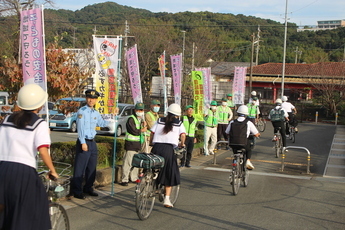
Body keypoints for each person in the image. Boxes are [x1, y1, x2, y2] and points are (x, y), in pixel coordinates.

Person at [0, 84, 58, 230]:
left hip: (2, 170)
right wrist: (52, 170)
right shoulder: (39, 124)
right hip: (23, 174)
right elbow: (43, 151)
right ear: (39, 105)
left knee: (5, 212)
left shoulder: (6, 119)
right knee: (34, 209)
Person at [72, 89, 112, 199]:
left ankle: (88, 188)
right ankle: (77, 190)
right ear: (86, 98)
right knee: (80, 168)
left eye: (94, 98)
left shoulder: (96, 113)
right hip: (83, 141)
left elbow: (102, 123)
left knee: (91, 167)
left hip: (92, 142)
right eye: (89, 98)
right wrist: (82, 142)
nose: (91, 100)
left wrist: (113, 116)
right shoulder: (82, 111)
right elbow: (80, 129)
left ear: (96, 100)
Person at [150, 103, 186, 208]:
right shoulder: (179, 123)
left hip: (156, 148)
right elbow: (183, 135)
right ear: (177, 115)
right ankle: (167, 199)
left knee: (155, 167)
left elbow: (152, 133)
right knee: (170, 172)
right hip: (168, 150)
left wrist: (152, 142)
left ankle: (153, 181)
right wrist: (182, 144)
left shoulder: (160, 120)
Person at [120, 102, 147, 186]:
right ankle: (124, 179)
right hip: (131, 145)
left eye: (141, 110)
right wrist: (142, 130)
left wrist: (144, 126)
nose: (140, 111)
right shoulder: (131, 119)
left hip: (137, 145)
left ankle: (134, 177)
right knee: (127, 163)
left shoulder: (140, 120)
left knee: (135, 163)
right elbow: (133, 130)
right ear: (135, 110)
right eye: (139, 110)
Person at [226, 105, 260, 170]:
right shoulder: (248, 123)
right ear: (246, 114)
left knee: (235, 152)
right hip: (243, 143)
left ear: (238, 113)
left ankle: (235, 161)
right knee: (249, 149)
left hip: (233, 143)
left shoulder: (232, 122)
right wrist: (257, 135)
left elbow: (227, 132)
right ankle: (248, 160)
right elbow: (256, 133)